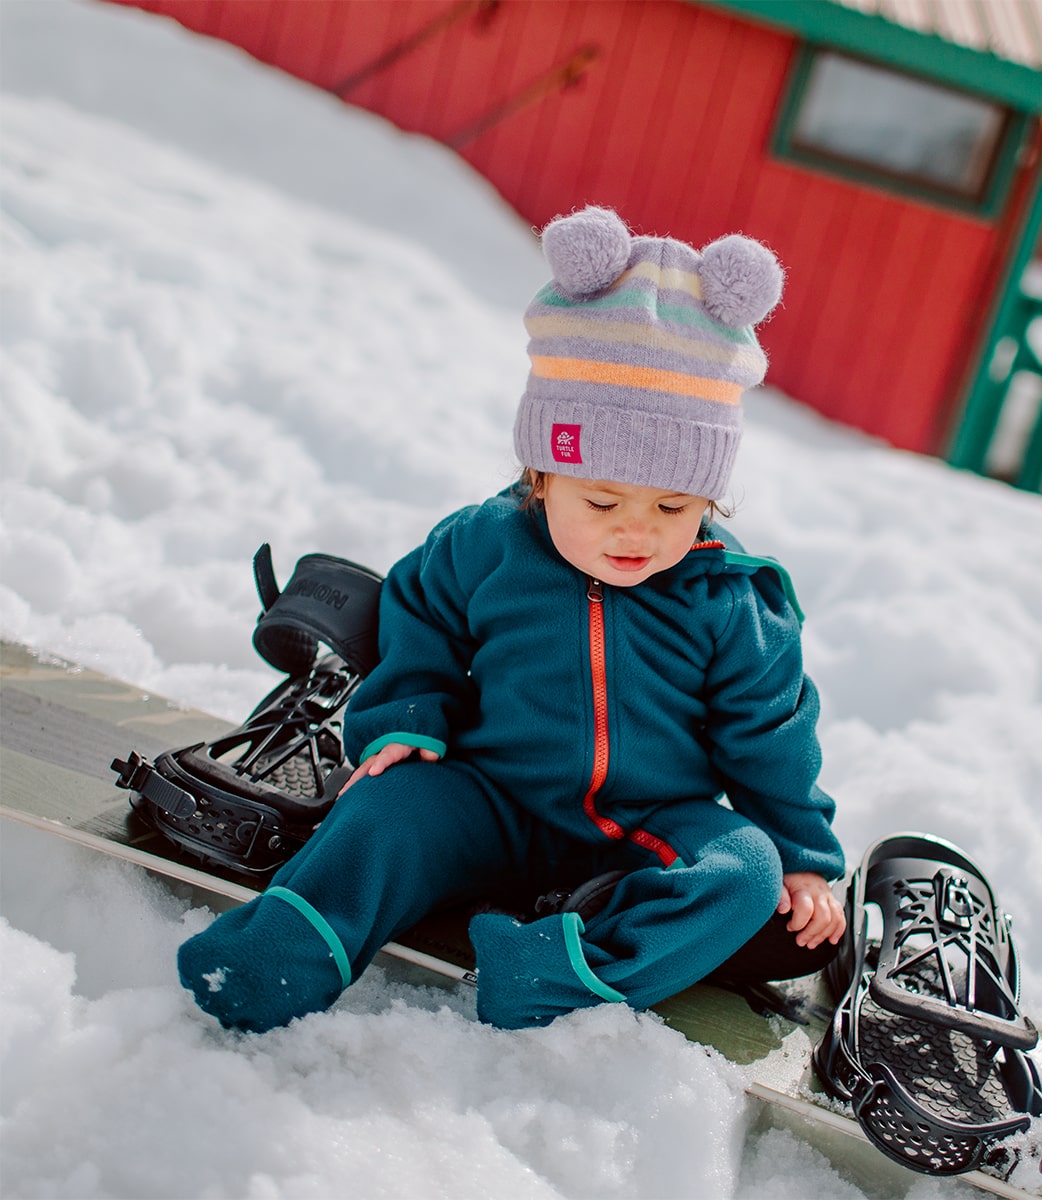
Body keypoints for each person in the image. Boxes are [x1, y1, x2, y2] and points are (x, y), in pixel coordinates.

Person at [177, 206, 846, 1033]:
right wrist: (406, 719)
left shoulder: (732, 598)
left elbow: (772, 735)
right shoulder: (486, 544)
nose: (635, 530)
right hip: (489, 794)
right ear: (542, 476)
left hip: (643, 828)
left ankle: (558, 973)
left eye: (673, 506)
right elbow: (419, 620)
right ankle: (284, 952)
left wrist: (803, 859)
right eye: (601, 501)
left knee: (741, 873)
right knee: (385, 809)